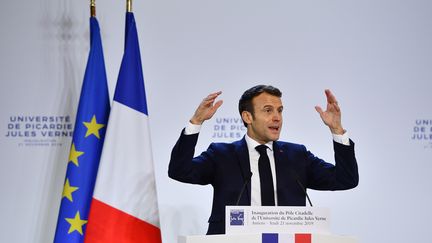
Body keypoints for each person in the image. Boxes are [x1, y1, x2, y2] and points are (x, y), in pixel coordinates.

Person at [168, 85, 359, 235]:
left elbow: (345, 179)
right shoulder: (222, 155)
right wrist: (196, 122)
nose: (277, 117)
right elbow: (179, 170)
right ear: (247, 117)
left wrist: (337, 130)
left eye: (280, 110)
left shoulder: (297, 155)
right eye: (268, 110)